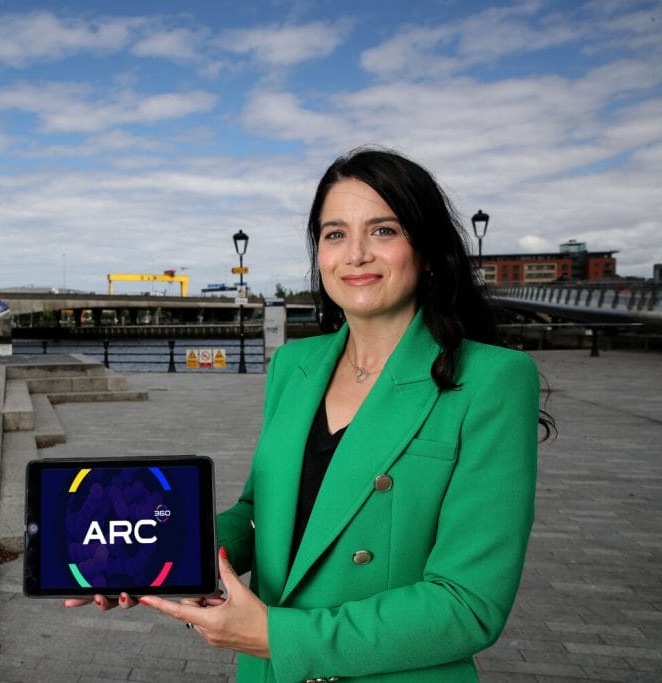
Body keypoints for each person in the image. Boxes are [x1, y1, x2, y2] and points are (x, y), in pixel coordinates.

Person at [68, 148, 553, 681]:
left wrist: (276, 635)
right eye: (335, 233)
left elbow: (469, 605)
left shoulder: (492, 379)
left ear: (430, 250)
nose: (356, 254)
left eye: (385, 230)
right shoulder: (295, 365)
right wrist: (150, 557)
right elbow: (262, 512)